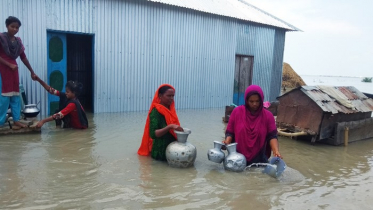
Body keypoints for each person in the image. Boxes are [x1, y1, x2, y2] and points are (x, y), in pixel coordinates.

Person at [222, 85, 281, 165]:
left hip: (260, 159)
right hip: (237, 160)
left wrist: (276, 151)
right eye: (251, 101)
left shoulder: (268, 116)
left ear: (261, 100)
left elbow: (272, 136)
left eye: (257, 101)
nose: (254, 104)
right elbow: (230, 132)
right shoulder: (237, 112)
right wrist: (227, 142)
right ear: (246, 100)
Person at [0, 16, 36, 128]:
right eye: (12, 26)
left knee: (15, 95)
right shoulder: (1, 38)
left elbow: (23, 57)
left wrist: (31, 71)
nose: (15, 29)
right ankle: (0, 121)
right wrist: (9, 64)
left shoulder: (18, 42)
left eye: (17, 27)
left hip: (13, 71)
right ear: (7, 26)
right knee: (4, 97)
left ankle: (16, 120)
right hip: (2, 70)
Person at [138, 84, 183, 161]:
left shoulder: (170, 110)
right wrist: (170, 127)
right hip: (160, 152)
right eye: (169, 96)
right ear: (160, 96)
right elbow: (153, 134)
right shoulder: (156, 112)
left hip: (171, 150)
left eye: (173, 96)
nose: (171, 98)